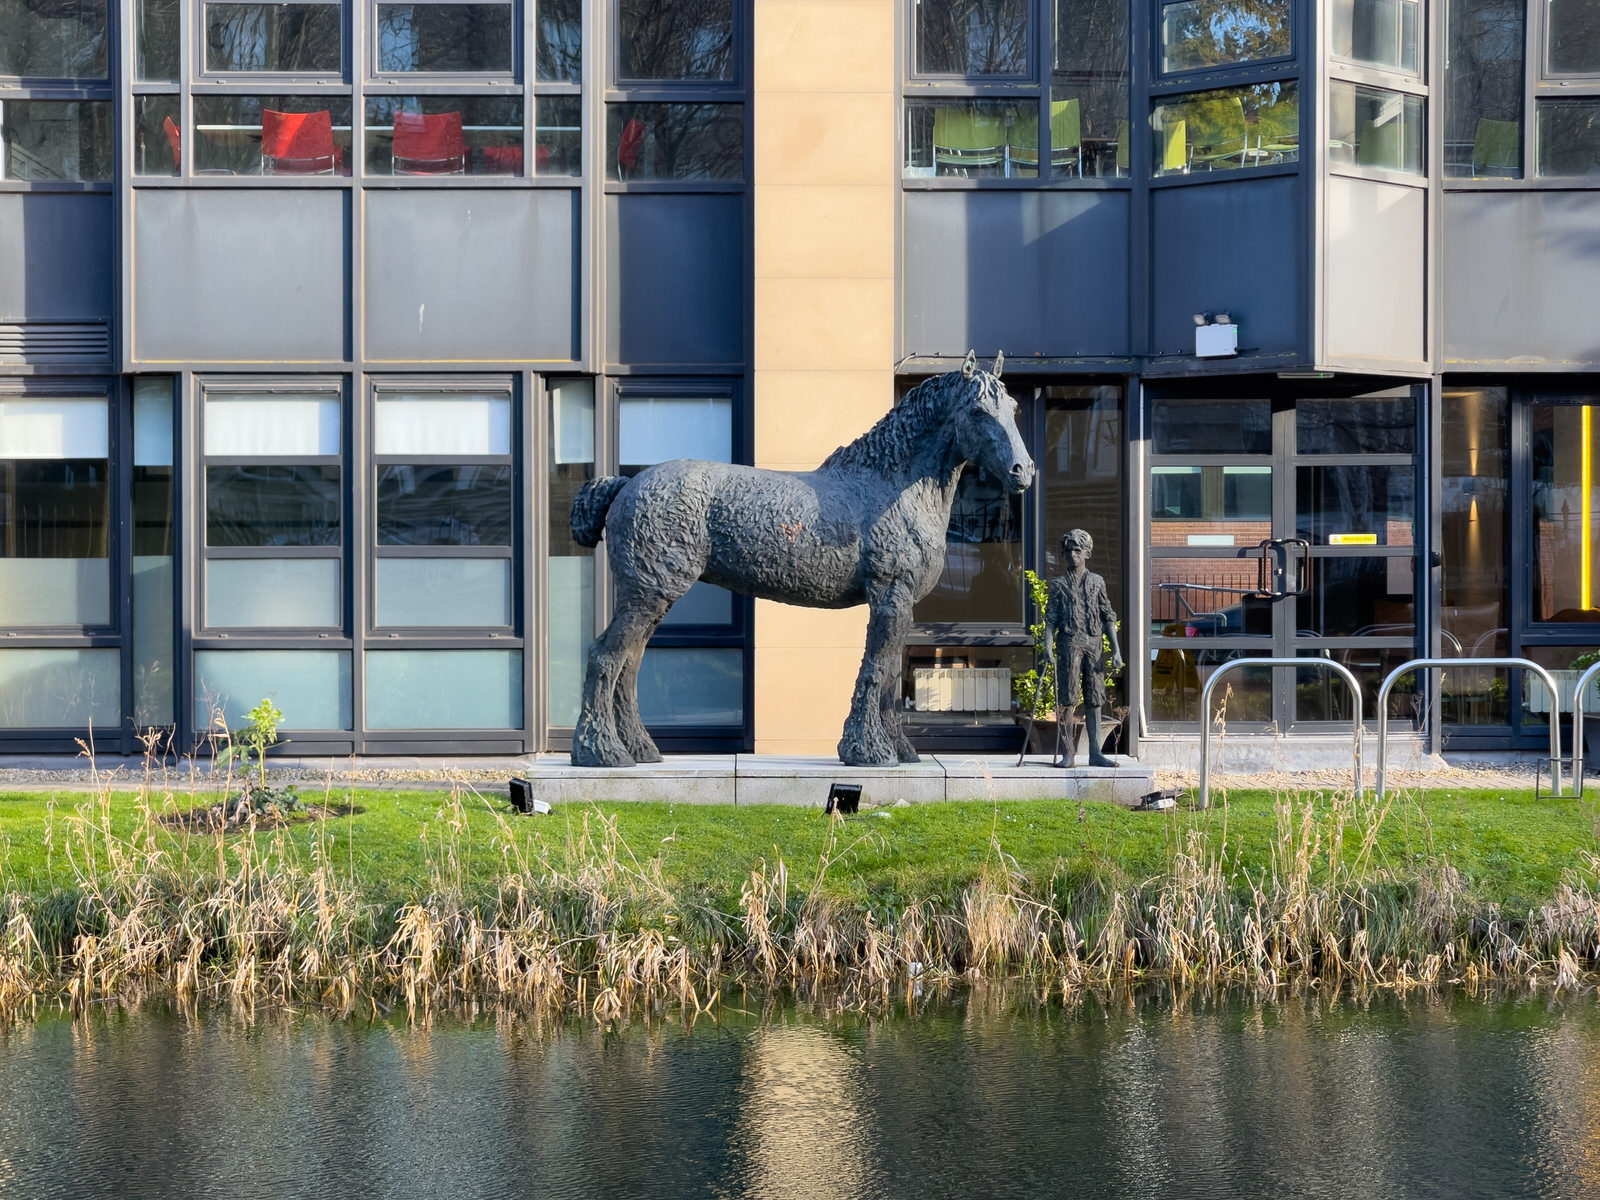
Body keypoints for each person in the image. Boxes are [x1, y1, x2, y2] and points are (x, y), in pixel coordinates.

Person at [1044, 528, 1124, 768]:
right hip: (1069, 644)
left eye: (1077, 550)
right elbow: (1050, 619)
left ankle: (1095, 753)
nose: (1073, 555)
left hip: (1094, 645)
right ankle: (1069, 753)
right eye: (1068, 551)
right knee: (1068, 698)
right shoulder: (1058, 585)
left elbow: (1108, 615)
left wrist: (1116, 650)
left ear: (1087, 552)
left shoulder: (1097, 582)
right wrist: (1048, 647)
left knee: (1095, 698)